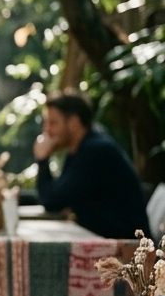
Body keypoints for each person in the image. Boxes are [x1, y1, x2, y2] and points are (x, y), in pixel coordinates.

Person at [34, 91, 149, 238]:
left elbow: (53, 202)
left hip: (128, 249)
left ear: (74, 123)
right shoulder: (83, 148)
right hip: (105, 241)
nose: (47, 130)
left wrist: (42, 160)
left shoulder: (95, 151)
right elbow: (58, 192)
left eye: (53, 123)